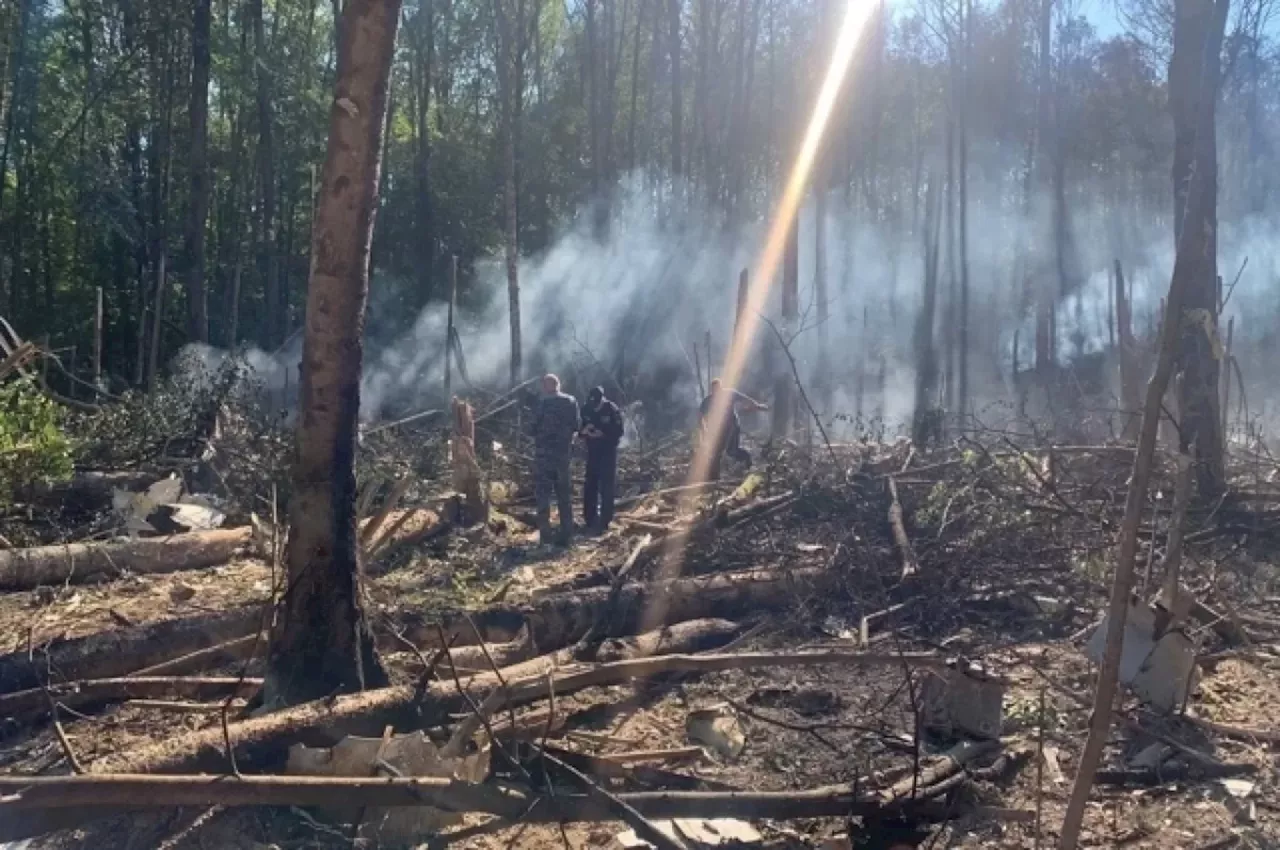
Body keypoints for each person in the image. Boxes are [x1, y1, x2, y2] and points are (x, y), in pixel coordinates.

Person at [533, 373, 580, 546]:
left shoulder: (542, 404)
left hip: (544, 457)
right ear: (558, 385)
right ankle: (567, 534)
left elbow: (533, 427)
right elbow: (577, 425)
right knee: (564, 496)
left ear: (546, 386)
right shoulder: (570, 402)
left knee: (543, 496)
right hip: (562, 456)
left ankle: (545, 535)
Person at [699, 378, 768, 479]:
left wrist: (757, 405)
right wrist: (703, 428)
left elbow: (745, 398)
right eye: (714, 390)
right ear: (711, 391)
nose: (716, 393)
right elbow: (700, 415)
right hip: (719, 429)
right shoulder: (708, 401)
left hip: (733, 426)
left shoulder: (729, 394)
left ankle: (748, 461)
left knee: (732, 451)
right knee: (716, 452)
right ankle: (713, 477)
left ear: (721, 388)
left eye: (718, 390)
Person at [579, 386, 624, 532]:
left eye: (597, 403)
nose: (595, 406)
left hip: (608, 451)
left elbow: (619, 431)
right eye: (593, 403)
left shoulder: (611, 409)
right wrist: (584, 432)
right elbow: (578, 427)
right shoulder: (586, 408)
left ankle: (605, 520)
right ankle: (590, 518)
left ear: (602, 399)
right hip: (592, 451)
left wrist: (603, 433)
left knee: (607, 486)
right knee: (590, 484)